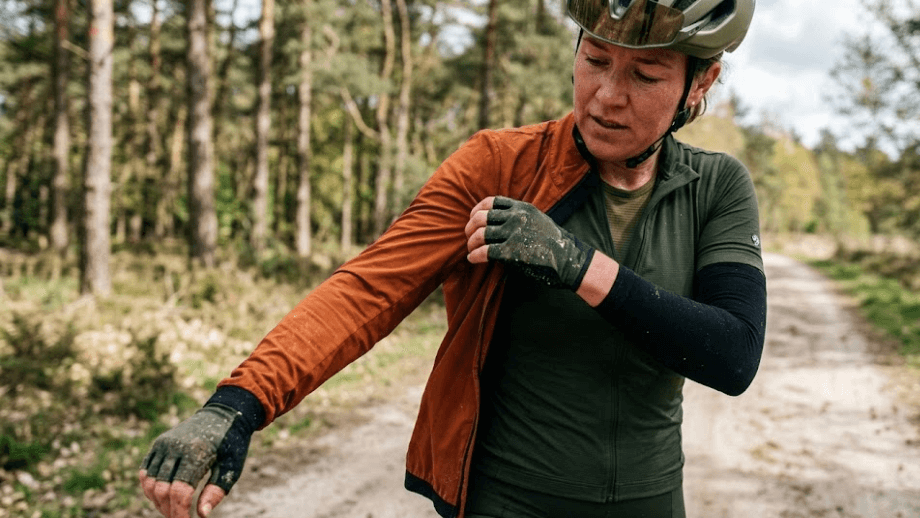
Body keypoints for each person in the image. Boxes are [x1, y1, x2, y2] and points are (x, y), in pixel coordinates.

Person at [139, 0, 765, 517]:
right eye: (595, 59)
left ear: (699, 82)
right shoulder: (501, 166)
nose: (606, 95)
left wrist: (579, 265)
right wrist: (240, 403)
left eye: (646, 76)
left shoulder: (716, 187)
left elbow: (733, 354)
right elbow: (368, 290)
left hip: (650, 503)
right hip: (504, 502)